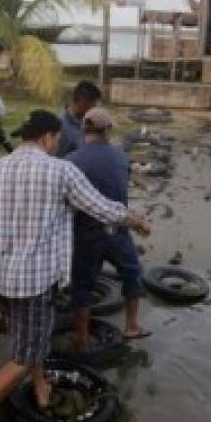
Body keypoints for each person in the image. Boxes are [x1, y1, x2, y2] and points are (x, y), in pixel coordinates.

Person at [0, 110, 151, 422]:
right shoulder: (60, 171)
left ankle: (41, 387)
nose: (58, 144)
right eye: (56, 139)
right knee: (25, 355)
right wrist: (136, 220)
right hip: (32, 282)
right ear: (47, 138)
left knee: (31, 339)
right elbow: (103, 209)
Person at [65, 107, 149, 350]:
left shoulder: (70, 161)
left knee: (82, 285)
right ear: (108, 130)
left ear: (83, 130)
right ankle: (132, 326)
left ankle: (82, 339)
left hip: (85, 234)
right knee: (132, 272)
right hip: (117, 229)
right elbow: (121, 182)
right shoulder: (120, 154)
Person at [57, 80, 101, 159]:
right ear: (82, 102)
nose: (95, 109)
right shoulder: (61, 126)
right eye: (93, 105)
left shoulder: (87, 122)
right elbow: (58, 160)